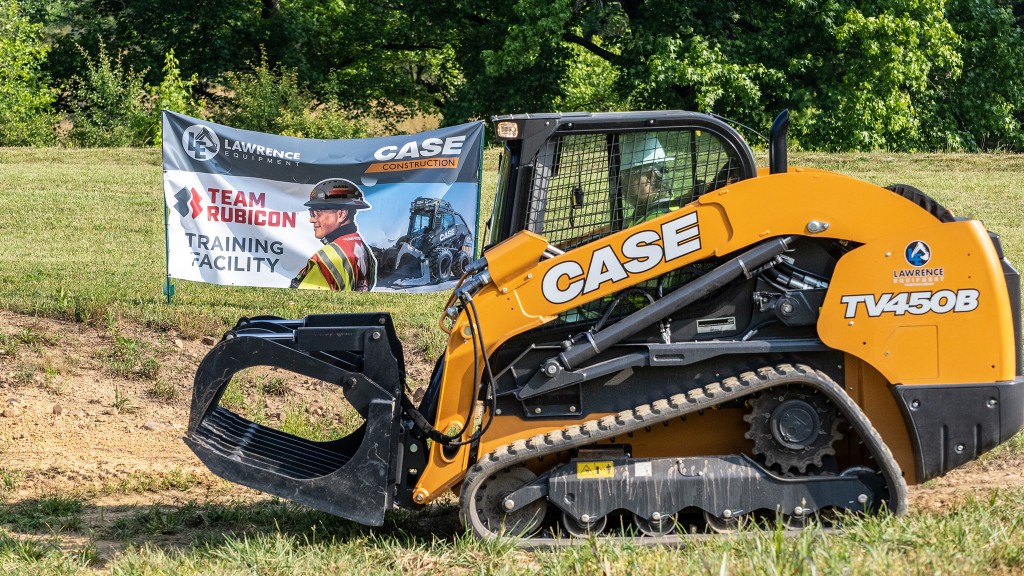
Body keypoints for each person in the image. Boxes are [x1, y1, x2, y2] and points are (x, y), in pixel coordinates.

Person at [290, 178, 378, 291]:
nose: (312, 219)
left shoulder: (325, 258)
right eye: (311, 213)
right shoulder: (362, 248)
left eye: (317, 213)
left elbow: (303, 300)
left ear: (341, 214)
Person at [616, 132, 676, 225]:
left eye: (628, 179)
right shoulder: (644, 213)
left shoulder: (660, 220)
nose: (622, 187)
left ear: (650, 177)